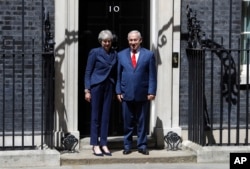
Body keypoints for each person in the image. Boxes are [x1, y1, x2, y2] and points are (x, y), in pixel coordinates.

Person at [116, 30, 157, 155]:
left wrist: (152, 91)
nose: (133, 42)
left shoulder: (149, 55)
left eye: (135, 40)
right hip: (126, 93)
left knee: (142, 122)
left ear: (140, 40)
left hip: (143, 94)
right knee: (127, 122)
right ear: (128, 41)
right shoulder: (121, 55)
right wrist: (118, 91)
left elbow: (152, 76)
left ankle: (142, 145)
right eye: (131, 40)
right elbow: (118, 75)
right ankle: (127, 146)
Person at [84, 29, 117, 156]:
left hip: (109, 86)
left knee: (106, 116)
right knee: (96, 116)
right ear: (100, 41)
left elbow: (115, 72)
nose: (107, 43)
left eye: (109, 41)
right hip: (96, 86)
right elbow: (88, 71)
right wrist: (87, 90)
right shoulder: (94, 52)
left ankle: (104, 143)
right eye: (104, 41)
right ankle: (95, 144)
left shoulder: (114, 54)